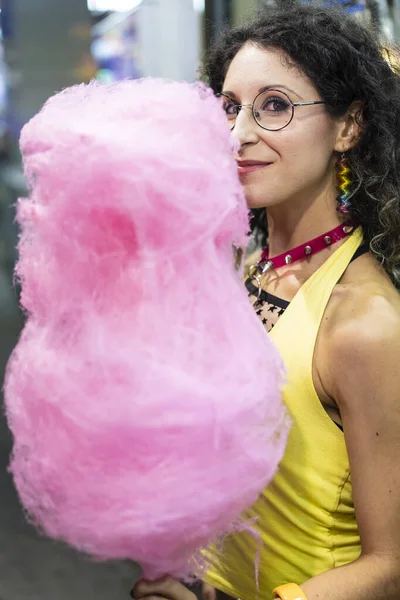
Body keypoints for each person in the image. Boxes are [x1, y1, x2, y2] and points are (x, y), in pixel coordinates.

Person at [133, 3, 400, 599]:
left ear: (349, 125)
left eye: (274, 106)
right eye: (230, 108)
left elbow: (391, 567)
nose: (239, 134)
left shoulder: (364, 325)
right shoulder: (242, 268)